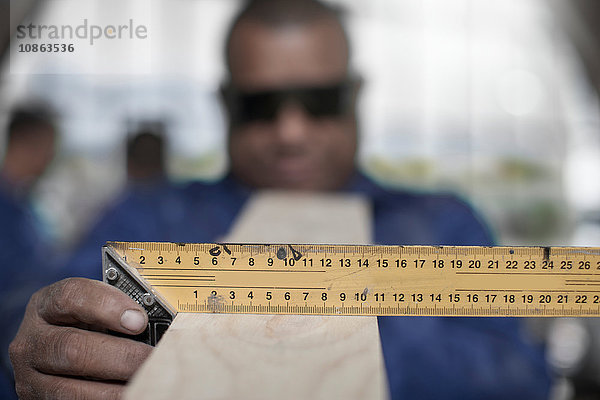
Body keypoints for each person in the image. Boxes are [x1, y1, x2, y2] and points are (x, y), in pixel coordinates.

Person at [8, 1, 551, 399]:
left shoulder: (444, 224)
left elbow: (521, 378)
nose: (291, 131)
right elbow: (38, 340)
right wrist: (36, 353)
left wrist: (336, 318)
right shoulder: (148, 215)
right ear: (225, 103)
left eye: (319, 101)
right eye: (261, 106)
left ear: (354, 96)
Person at [0, 105, 60, 399]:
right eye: (50, 148)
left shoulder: (24, 206)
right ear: (28, 144)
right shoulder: (7, 208)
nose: (51, 158)